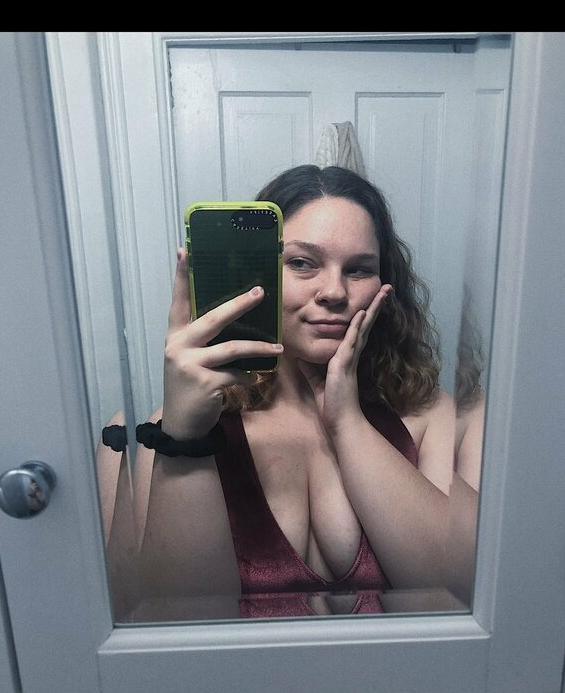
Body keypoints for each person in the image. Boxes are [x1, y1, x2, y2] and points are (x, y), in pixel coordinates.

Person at [131, 165, 462, 620]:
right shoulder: (176, 430)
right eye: (302, 263)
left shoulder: (426, 413)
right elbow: (176, 629)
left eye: (359, 269)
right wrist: (185, 439)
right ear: (258, 271)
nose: (334, 292)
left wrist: (346, 421)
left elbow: (458, 598)